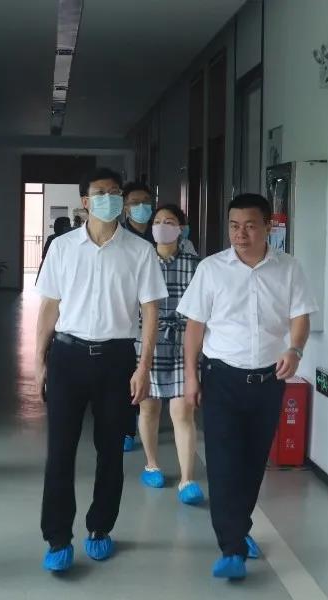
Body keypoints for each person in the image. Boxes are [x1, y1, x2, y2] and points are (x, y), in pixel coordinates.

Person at [177, 193, 318, 581]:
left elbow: (300, 317)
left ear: (268, 227)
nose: (240, 234)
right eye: (234, 226)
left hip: (269, 380)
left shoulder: (289, 268)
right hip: (222, 378)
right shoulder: (211, 269)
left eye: (250, 226)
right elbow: (195, 327)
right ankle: (232, 548)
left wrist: (295, 349)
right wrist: (191, 376)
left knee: (253, 463)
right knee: (224, 464)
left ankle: (238, 527)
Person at [34, 167, 167, 572]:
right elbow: (49, 307)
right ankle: (58, 537)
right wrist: (39, 360)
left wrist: (143, 367)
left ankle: (100, 527)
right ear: (85, 201)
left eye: (115, 192)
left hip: (117, 359)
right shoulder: (62, 248)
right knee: (60, 451)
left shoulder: (140, 251)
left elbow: (150, 311)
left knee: (110, 450)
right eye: (100, 193)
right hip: (68, 356)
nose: (109, 198)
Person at [135, 204, 204, 505]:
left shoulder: (197, 264)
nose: (163, 226)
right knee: (149, 408)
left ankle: (187, 478)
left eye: (170, 221)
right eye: (158, 221)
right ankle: (152, 465)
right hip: (147, 342)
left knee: (183, 411)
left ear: (182, 228)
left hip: (183, 343)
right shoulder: (141, 260)